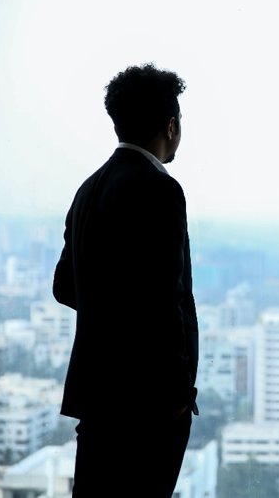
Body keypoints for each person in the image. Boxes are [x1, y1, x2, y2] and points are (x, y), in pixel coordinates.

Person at [53, 64, 199, 497]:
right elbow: (164, 299)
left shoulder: (89, 188)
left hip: (97, 397)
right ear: (170, 126)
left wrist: (108, 308)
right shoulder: (159, 189)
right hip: (148, 405)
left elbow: (64, 286)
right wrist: (177, 397)